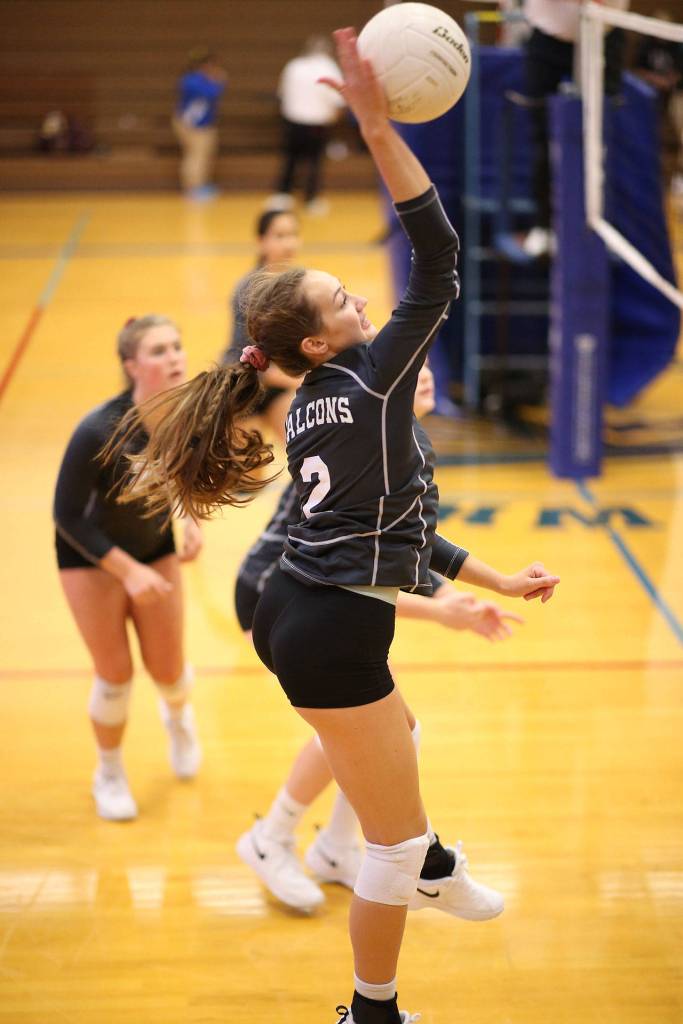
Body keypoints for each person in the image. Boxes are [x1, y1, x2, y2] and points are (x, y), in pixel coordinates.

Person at [107, 30, 559, 1023]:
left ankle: (379, 855)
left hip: (295, 607)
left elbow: (405, 533)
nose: (363, 296)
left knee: (395, 736)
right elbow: (437, 252)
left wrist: (489, 584)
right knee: (392, 847)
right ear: (320, 339)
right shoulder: (363, 374)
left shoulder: (318, 396)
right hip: (325, 622)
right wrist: (373, 126)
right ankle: (371, 1004)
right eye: (343, 298)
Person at [235, 364, 524, 913]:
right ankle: (273, 839)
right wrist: (441, 610)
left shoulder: (389, 451)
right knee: (357, 730)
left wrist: (475, 590)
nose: (429, 376)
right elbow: (357, 579)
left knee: (387, 732)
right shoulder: (364, 451)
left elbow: (405, 543)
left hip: (323, 597)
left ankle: (335, 847)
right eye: (411, 372)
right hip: (284, 594)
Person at [53, 315, 203, 823]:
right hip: (89, 553)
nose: (175, 357)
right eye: (159, 350)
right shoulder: (99, 429)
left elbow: (186, 475)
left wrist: (192, 520)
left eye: (177, 347)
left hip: (153, 544)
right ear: (132, 365)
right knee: (115, 673)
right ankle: (109, 772)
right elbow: (67, 515)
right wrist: (128, 572)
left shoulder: (187, 416)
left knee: (167, 668)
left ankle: (179, 718)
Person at [499, 0, 629, 261]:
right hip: (549, 39)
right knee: (541, 138)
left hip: (604, 36)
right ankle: (543, 227)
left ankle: (605, 227)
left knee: (604, 140)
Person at [221, 208, 302, 445]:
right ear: (261, 242)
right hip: (244, 388)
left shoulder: (303, 285)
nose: (289, 243)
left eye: (293, 234)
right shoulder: (248, 291)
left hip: (279, 386)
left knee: (306, 446)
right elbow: (249, 362)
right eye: (280, 236)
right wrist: (301, 380)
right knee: (251, 474)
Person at [269, 35, 345, 214]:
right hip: (318, 123)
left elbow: (282, 93)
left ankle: (282, 195)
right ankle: (311, 199)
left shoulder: (294, 66)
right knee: (314, 161)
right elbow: (338, 100)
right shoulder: (329, 68)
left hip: (292, 120)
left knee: (290, 158)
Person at [173, 47, 227, 200]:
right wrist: (218, 82)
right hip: (191, 124)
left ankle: (200, 185)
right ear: (205, 65)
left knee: (203, 156)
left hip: (204, 124)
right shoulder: (191, 80)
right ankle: (192, 188)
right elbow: (211, 94)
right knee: (195, 156)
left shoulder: (204, 79)